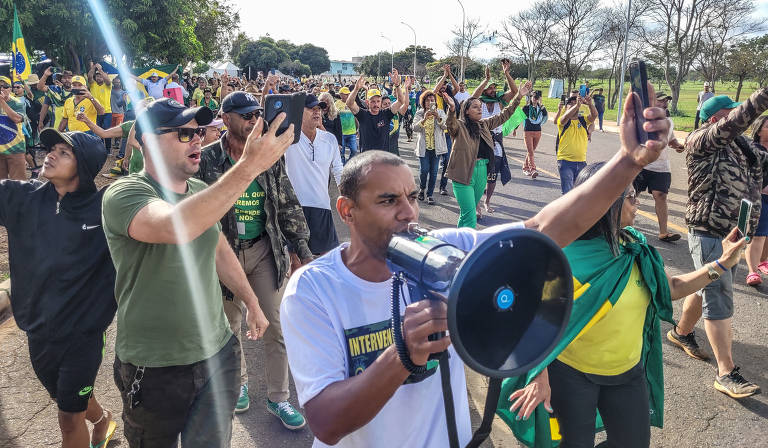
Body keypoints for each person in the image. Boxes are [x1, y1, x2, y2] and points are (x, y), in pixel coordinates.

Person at [280, 90, 672, 447]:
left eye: (412, 197)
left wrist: (628, 161)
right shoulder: (314, 289)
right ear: (347, 211)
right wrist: (402, 354)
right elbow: (326, 423)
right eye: (388, 201)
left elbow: (544, 229)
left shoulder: (445, 250)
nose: (408, 213)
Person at [501, 163, 746, 448]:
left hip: (628, 373)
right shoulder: (565, 257)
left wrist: (721, 264)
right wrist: (539, 374)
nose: (637, 201)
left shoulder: (634, 247)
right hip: (572, 375)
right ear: (605, 203)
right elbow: (532, 320)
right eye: (630, 196)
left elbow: (672, 288)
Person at [103, 97, 283, 447]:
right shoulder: (125, 192)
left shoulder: (200, 191)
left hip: (218, 353)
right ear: (148, 140)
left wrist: (252, 302)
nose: (198, 139)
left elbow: (218, 249)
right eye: (184, 134)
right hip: (154, 365)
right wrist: (250, 167)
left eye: (199, 132)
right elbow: (175, 226)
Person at [196, 91, 312, 428]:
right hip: (223, 254)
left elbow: (287, 202)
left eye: (256, 114)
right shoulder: (207, 159)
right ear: (226, 118)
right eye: (245, 115)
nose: (252, 120)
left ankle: (279, 398)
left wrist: (301, 249)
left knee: (275, 325)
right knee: (229, 325)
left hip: (264, 249)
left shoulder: (268, 156)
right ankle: (240, 383)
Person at [1, 129, 118, 448]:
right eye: (52, 148)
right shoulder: (22, 198)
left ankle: (93, 422)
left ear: (84, 166)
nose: (50, 154)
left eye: (64, 152)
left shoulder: (105, 208)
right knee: (65, 398)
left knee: (68, 418)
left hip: (83, 336)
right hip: (37, 330)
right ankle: (102, 419)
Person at [668, 89, 768, 399]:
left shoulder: (742, 146)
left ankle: (681, 332)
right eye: (730, 112)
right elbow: (738, 121)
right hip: (709, 229)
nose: (737, 118)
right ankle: (726, 372)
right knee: (718, 293)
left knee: (706, 286)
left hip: (734, 233)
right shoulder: (703, 139)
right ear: (715, 118)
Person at [444, 79, 531, 228]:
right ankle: (470, 242)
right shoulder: (459, 126)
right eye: (475, 107)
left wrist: (519, 97)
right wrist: (452, 110)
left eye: (480, 106)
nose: (479, 109)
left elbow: (505, 114)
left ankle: (459, 239)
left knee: (466, 214)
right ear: (466, 111)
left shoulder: (484, 124)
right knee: (470, 215)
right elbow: (450, 124)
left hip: (481, 172)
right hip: (463, 174)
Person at [284, 94, 343, 255]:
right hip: (294, 208)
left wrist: (347, 198)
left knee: (327, 260)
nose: (317, 112)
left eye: (319, 109)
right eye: (311, 109)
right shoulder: (288, 138)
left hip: (321, 206)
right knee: (296, 262)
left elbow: (338, 170)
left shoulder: (329, 139)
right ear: (298, 112)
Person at [633, 92, 683, 243]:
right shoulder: (644, 120)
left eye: (666, 101)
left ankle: (663, 232)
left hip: (661, 167)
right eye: (661, 100)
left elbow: (671, 139)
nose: (665, 103)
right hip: (643, 165)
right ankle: (622, 226)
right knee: (632, 196)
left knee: (661, 196)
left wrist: (678, 146)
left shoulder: (669, 121)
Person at [477, 60, 518, 214]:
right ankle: (476, 203)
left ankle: (487, 201)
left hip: (496, 143)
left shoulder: (499, 103)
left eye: (494, 87)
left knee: (492, 175)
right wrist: (485, 79)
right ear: (484, 89)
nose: (493, 90)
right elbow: (472, 97)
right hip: (480, 142)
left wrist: (507, 73)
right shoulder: (478, 102)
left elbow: (514, 92)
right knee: (479, 174)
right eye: (490, 88)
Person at [345, 69, 406, 152]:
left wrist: (397, 85)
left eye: (378, 101)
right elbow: (349, 103)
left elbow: (401, 101)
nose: (376, 104)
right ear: (367, 102)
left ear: (381, 101)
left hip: (383, 156)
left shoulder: (386, 113)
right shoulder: (362, 114)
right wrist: (356, 89)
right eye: (373, 101)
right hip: (367, 156)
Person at [412, 89, 447, 205]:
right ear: (423, 102)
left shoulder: (440, 112)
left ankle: (430, 194)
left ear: (435, 102)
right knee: (424, 170)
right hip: (424, 148)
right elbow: (414, 128)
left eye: (432, 100)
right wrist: (424, 119)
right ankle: (422, 188)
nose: (430, 102)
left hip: (437, 149)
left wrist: (438, 118)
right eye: (427, 100)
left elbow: (445, 127)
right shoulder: (419, 113)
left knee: (434, 172)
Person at [556, 95, 596, 194]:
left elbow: (594, 115)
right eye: (571, 103)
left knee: (580, 193)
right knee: (568, 192)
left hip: (581, 162)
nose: (574, 104)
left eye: (576, 103)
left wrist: (590, 104)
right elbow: (565, 117)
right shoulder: (562, 121)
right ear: (566, 108)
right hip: (565, 162)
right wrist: (577, 106)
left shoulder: (583, 120)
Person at [745, 115, 768, 286]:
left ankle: (762, 261)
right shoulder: (753, 150)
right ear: (759, 131)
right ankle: (752, 271)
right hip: (758, 198)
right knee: (758, 235)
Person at [0, 76, 28, 180]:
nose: (2, 89)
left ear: (10, 89)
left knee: (18, 183)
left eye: (5, 86)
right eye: (0, 86)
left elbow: (17, 118)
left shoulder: (17, 102)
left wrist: (2, 102)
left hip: (15, 149)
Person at [37, 68, 74, 132]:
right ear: (61, 79)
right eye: (64, 78)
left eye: (69, 78)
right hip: (57, 127)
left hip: (74, 127)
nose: (67, 80)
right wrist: (45, 75)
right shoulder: (54, 90)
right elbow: (40, 87)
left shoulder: (78, 92)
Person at [381, 83, 411, 156]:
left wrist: (406, 89)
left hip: (394, 151)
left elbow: (406, 104)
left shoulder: (397, 113)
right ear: (380, 106)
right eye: (385, 104)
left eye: (389, 103)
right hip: (381, 152)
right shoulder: (378, 115)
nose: (388, 105)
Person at [522, 92, 548, 178]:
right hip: (528, 131)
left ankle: (525, 167)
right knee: (530, 151)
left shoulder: (541, 108)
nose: (535, 99)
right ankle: (533, 169)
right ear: (530, 98)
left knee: (531, 151)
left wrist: (542, 106)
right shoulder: (526, 108)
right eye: (534, 97)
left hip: (537, 132)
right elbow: (519, 117)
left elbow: (545, 116)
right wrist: (515, 128)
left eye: (537, 98)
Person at [87, 63, 113, 146]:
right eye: (97, 76)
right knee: (97, 131)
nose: (99, 77)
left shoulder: (108, 85)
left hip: (107, 112)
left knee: (107, 130)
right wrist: (93, 67)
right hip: (95, 113)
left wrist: (100, 70)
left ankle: (108, 148)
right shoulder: (93, 85)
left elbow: (107, 80)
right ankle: (100, 147)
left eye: (101, 76)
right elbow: (89, 77)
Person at [109, 77, 127, 151]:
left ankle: (117, 142)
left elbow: (124, 104)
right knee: (111, 128)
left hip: (120, 113)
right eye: (116, 82)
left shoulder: (123, 92)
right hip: (111, 112)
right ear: (113, 83)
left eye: (119, 82)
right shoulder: (109, 91)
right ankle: (110, 143)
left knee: (119, 128)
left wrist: (123, 100)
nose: (117, 84)